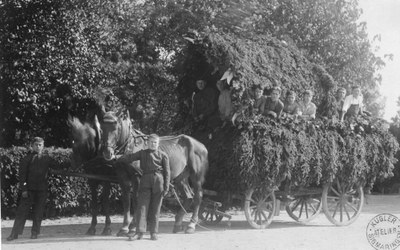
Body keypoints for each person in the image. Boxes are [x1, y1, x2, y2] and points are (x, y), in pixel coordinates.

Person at [119, 134, 170, 241]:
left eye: (155, 142)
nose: (153, 144)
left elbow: (167, 173)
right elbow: (130, 158)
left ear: (158, 143)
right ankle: (139, 232)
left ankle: (154, 233)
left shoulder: (163, 155)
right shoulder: (142, 153)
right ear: (147, 143)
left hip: (158, 181)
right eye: (151, 142)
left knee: (156, 208)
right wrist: (118, 157)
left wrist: (166, 187)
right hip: (145, 180)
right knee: (142, 207)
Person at [7, 137, 56, 241]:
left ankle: (35, 233)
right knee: (21, 212)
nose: (38, 147)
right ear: (32, 146)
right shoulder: (26, 159)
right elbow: (22, 176)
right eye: (36, 145)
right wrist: (24, 189)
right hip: (29, 190)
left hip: (42, 190)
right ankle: (14, 234)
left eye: (40, 145)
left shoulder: (47, 159)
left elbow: (58, 166)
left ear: (43, 146)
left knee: (38, 212)